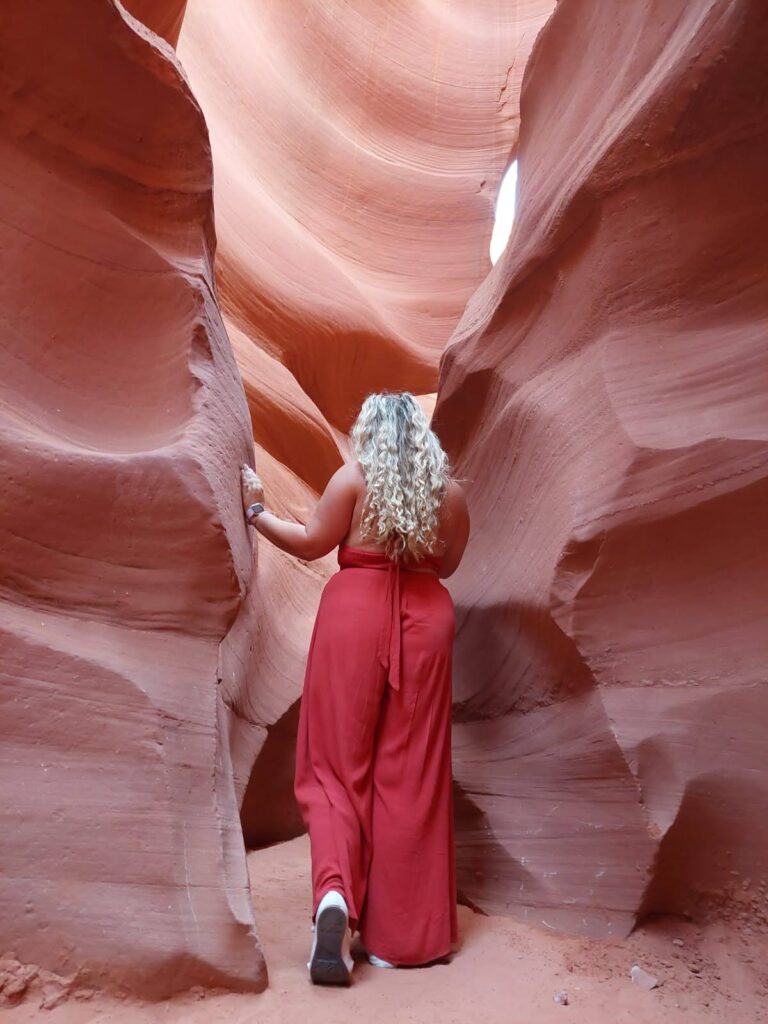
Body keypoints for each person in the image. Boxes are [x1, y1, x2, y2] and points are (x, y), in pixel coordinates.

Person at [240, 391, 470, 985]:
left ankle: (335, 897)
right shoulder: (449, 496)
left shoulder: (352, 480)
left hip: (353, 615)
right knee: (410, 770)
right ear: (421, 437)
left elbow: (313, 543)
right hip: (427, 620)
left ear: (368, 431)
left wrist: (257, 513)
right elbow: (447, 566)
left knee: (334, 766)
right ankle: (405, 941)